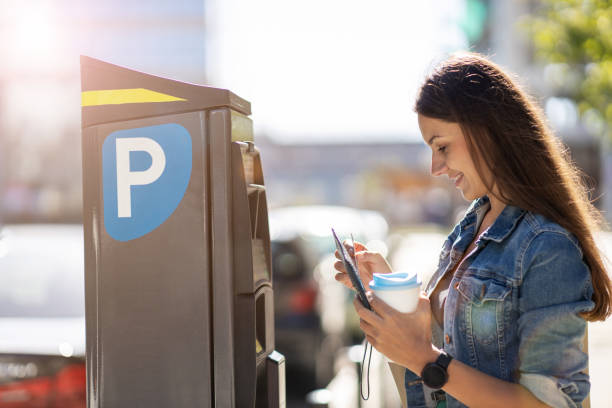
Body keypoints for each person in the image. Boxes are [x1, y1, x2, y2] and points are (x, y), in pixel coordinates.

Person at [334, 53, 612, 408]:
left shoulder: (547, 246)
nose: (435, 167)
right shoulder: (471, 226)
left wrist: (426, 360)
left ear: (487, 131)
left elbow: (553, 405)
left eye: (442, 146)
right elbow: (453, 352)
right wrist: (390, 288)